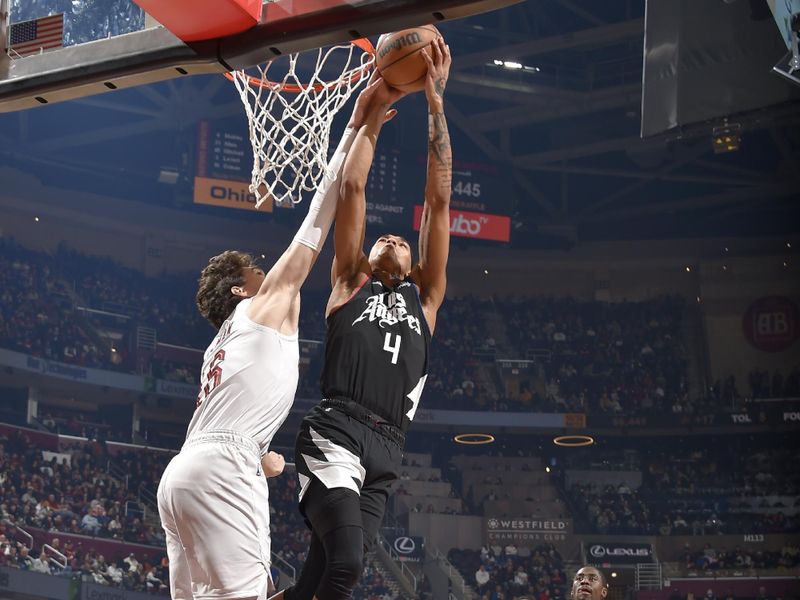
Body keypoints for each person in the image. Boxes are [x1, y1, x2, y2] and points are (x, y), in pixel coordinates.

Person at [156, 75, 397, 600]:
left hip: (181, 476)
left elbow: (232, 424)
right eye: (257, 271)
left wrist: (261, 459)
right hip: (220, 469)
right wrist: (358, 124)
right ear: (242, 290)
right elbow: (316, 220)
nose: (270, 272)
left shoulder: (218, 345)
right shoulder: (262, 307)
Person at [275, 37, 452, 600]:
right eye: (385, 236)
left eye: (402, 240)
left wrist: (436, 104)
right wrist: (370, 118)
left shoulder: (426, 299)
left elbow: (439, 202)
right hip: (336, 430)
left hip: (388, 451)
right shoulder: (351, 280)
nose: (395, 236)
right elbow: (351, 185)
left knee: (322, 576)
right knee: (347, 567)